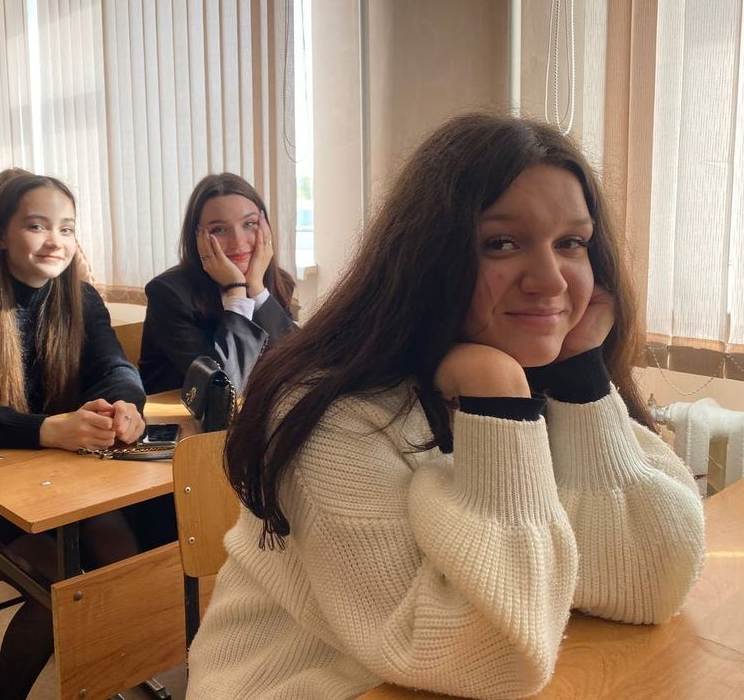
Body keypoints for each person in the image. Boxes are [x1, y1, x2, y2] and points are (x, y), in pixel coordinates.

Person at [186, 114, 706, 699]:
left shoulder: (539, 372)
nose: (551, 280)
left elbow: (649, 582)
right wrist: (498, 401)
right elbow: (491, 657)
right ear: (426, 257)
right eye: (501, 243)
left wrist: (580, 375)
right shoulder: (331, 415)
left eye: (571, 243)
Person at [0, 173, 175, 700]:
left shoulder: (81, 300)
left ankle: (108, 669)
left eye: (67, 228)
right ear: (1, 235)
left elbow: (116, 368)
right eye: (37, 226)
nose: (55, 240)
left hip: (60, 488)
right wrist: (46, 429)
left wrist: (126, 405)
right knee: (62, 586)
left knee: (124, 551)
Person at [139, 173, 296, 394]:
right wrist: (236, 290)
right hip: (182, 415)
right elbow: (223, 389)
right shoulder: (168, 293)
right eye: (219, 229)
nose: (238, 242)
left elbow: (299, 365)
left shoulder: (277, 282)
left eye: (249, 224)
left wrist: (256, 289)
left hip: (255, 409)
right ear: (197, 238)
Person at [0, 167, 96, 290]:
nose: (55, 243)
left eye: (66, 229)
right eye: (35, 227)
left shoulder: (64, 244)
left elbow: (85, 286)